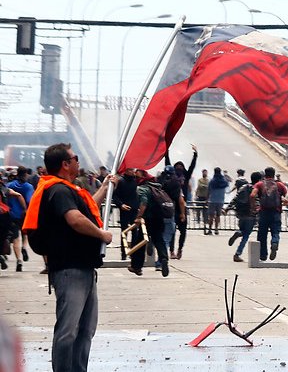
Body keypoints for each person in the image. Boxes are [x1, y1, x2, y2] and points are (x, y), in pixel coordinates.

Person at [21, 143, 115, 372]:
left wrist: (104, 188)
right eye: (75, 158)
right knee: (68, 330)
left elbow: (87, 208)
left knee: (85, 329)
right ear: (65, 164)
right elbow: (75, 219)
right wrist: (102, 234)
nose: (78, 162)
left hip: (83, 267)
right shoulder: (59, 190)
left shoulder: (65, 190)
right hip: (69, 269)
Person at [132, 170, 173, 278]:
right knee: (159, 239)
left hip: (147, 220)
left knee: (140, 242)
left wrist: (139, 216)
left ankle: (137, 266)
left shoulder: (143, 189)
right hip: (159, 219)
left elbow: (144, 203)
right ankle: (163, 258)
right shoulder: (158, 188)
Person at [252, 167, 287, 261]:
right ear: (274, 174)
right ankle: (274, 242)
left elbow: (252, 195)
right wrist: (282, 203)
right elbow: (287, 197)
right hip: (276, 212)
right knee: (275, 232)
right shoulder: (279, 185)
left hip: (263, 212)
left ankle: (263, 255)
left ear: (265, 174)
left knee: (262, 235)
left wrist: (254, 206)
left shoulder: (259, 184)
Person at [227, 171, 261, 262]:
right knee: (246, 235)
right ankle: (237, 254)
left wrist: (227, 208)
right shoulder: (257, 189)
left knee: (243, 230)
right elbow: (258, 202)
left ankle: (238, 232)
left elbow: (235, 198)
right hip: (251, 215)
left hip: (241, 214)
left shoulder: (243, 187)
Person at [6, 166, 34, 272]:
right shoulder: (28, 186)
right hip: (24, 214)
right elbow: (29, 200)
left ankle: (19, 260)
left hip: (12, 214)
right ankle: (24, 247)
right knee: (24, 233)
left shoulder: (9, 185)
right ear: (26, 174)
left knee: (15, 238)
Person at [206, 167, 229, 235]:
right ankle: (216, 229)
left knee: (211, 216)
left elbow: (209, 191)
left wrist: (207, 199)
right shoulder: (224, 181)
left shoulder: (212, 181)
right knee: (218, 216)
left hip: (212, 200)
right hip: (221, 200)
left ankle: (210, 229)